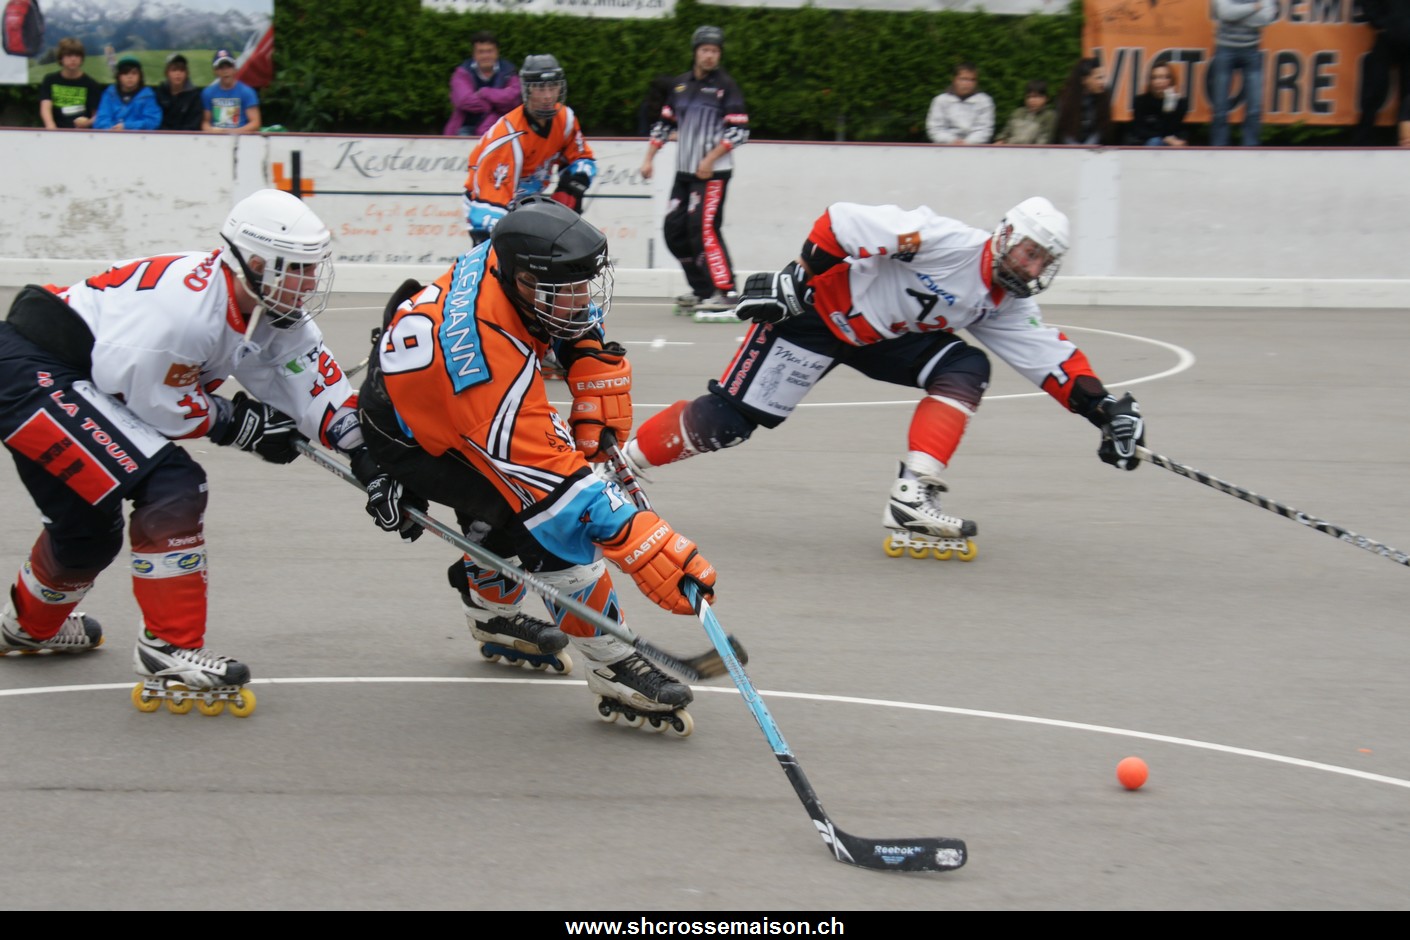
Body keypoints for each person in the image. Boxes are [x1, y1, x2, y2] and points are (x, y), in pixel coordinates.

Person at [0, 190, 390, 715]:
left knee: (87, 532)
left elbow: (308, 383)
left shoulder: (265, 305)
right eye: (297, 268)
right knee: (172, 484)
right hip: (36, 375)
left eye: (313, 267)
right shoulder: (186, 314)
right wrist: (236, 422)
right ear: (256, 263)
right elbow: (143, 399)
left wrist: (368, 453)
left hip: (68, 377)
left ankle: (27, 627)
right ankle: (168, 647)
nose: (309, 282)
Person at [356, 196, 717, 734]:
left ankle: (490, 613)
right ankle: (613, 664)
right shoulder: (480, 366)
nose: (582, 298)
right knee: (545, 528)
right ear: (525, 282)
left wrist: (587, 355)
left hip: (439, 398)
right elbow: (559, 491)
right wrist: (641, 539)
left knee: (503, 518)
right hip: (415, 437)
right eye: (568, 290)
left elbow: (557, 298)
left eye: (585, 283)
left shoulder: (507, 255)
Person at [622, 198, 1147, 558]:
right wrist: (799, 277)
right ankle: (617, 469)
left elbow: (1052, 362)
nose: (1032, 269)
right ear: (1005, 236)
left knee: (966, 367)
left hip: (881, 339)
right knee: (729, 422)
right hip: (816, 315)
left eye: (1044, 262)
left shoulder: (1005, 301)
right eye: (1030, 253)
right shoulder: (945, 241)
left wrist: (1105, 412)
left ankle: (912, 495)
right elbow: (842, 222)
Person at [640, 25, 750, 320]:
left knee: (704, 228)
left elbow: (740, 131)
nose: (710, 56)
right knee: (673, 231)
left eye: (715, 51)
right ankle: (702, 289)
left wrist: (710, 160)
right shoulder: (679, 86)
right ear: (695, 52)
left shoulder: (726, 86)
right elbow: (664, 124)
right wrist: (649, 158)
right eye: (705, 50)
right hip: (685, 172)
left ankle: (726, 292)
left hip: (713, 174)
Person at [462, 54, 596, 246]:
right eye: (540, 88)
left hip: (528, 202)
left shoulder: (565, 119)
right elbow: (490, 200)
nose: (548, 96)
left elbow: (581, 158)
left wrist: (571, 187)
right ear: (528, 89)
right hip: (486, 201)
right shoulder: (508, 136)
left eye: (553, 86)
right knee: (497, 256)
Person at [1208, 0, 1276, 147]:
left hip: (1252, 50)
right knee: (1220, 107)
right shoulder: (1257, 4)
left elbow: (1266, 18)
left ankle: (1250, 150)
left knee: (1254, 108)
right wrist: (1255, 7)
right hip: (1224, 49)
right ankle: (1218, 149)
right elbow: (1225, 13)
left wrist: (1236, 15)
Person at [1352, 1, 1410, 146]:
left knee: (1408, 96)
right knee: (1374, 88)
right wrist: (1380, 24)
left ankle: (1401, 141)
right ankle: (1362, 141)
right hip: (1386, 38)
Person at [444, 30, 521, 138]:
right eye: (481, 52)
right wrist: (494, 104)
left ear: (497, 52)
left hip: (500, 127)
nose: (485, 56)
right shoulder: (462, 72)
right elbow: (464, 100)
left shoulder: (509, 71)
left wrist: (485, 92)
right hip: (466, 127)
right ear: (474, 54)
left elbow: (513, 99)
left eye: (489, 51)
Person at [38, 36, 103, 130]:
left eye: (77, 56)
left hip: (83, 133)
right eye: (68, 55)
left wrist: (87, 123)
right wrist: (51, 127)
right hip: (56, 131)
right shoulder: (50, 80)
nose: (73, 59)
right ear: (61, 58)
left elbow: (97, 115)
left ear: (81, 59)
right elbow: (45, 108)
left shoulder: (91, 84)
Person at [924, 63, 995, 145]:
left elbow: (984, 129)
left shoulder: (985, 101)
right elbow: (935, 128)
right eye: (963, 79)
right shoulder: (940, 100)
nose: (968, 84)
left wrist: (967, 143)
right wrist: (952, 141)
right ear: (954, 80)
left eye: (972, 80)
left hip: (975, 147)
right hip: (944, 147)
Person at [1055, 57, 1115, 145]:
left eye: (1103, 77)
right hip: (1070, 148)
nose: (1102, 82)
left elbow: (1102, 129)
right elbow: (1063, 129)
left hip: (1095, 148)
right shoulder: (1066, 98)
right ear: (1084, 80)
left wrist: (1088, 147)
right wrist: (1075, 147)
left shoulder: (1104, 96)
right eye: (1098, 78)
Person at [92, 56, 163, 131]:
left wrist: (127, 126)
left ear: (140, 76)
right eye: (125, 73)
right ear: (119, 76)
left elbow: (152, 121)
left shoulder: (148, 96)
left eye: (134, 73)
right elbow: (101, 119)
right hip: (110, 136)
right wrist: (112, 129)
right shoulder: (109, 94)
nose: (130, 77)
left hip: (139, 137)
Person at [202, 48, 261, 134]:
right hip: (215, 138)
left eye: (229, 66)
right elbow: (205, 123)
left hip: (240, 137)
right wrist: (212, 131)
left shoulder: (247, 92)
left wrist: (232, 132)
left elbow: (255, 123)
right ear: (215, 71)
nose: (225, 71)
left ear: (235, 69)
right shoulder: (207, 93)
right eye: (221, 68)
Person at [1129, 63, 1189, 146]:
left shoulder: (1180, 102)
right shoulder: (1141, 101)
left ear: (1171, 81)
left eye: (1165, 77)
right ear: (1150, 81)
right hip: (1148, 141)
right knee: (1155, 141)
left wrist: (1170, 101)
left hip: (1172, 141)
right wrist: (1164, 138)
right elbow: (1139, 130)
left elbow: (1173, 128)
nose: (1160, 82)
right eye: (1155, 78)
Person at [995, 79, 1056, 145]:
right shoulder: (1018, 112)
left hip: (1030, 150)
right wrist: (999, 141)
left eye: (1036, 97)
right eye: (1029, 97)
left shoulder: (1049, 116)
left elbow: (1043, 141)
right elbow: (1005, 133)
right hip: (1009, 148)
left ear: (1046, 98)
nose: (1032, 100)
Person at [156, 53, 203, 131]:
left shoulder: (194, 95)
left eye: (182, 70)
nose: (178, 74)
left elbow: (194, 123)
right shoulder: (160, 92)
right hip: (163, 135)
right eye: (174, 70)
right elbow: (157, 120)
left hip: (186, 136)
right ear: (167, 73)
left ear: (187, 73)